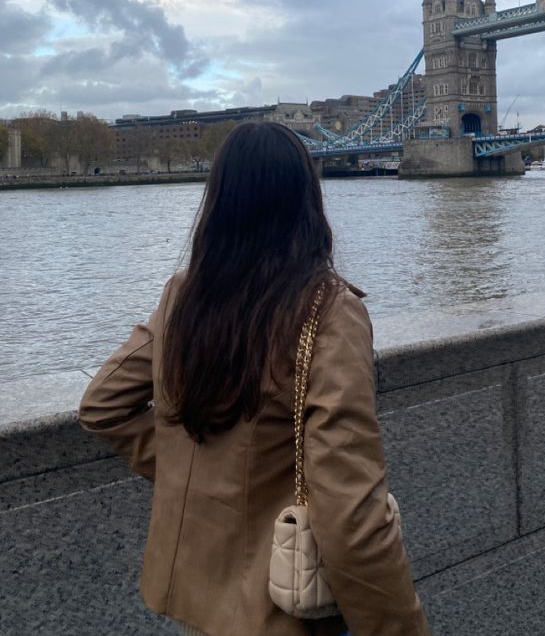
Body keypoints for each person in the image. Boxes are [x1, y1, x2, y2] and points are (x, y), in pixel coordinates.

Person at [79, 122, 431, 636]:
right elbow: (349, 508)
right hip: (278, 609)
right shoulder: (329, 311)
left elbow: (102, 406)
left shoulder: (182, 296)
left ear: (218, 201)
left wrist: (197, 475)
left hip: (199, 599)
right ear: (307, 200)